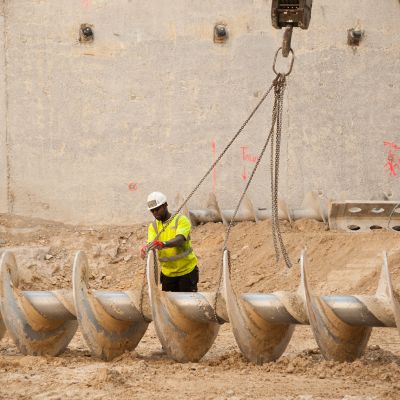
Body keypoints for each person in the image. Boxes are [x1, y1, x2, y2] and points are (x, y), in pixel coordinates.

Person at [140, 191, 199, 292]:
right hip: (168, 275)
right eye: (152, 211)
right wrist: (147, 249)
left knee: (187, 305)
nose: (155, 213)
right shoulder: (153, 226)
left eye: (157, 209)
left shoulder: (181, 220)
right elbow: (151, 243)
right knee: (169, 306)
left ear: (165, 205)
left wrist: (163, 244)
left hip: (186, 273)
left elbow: (180, 239)